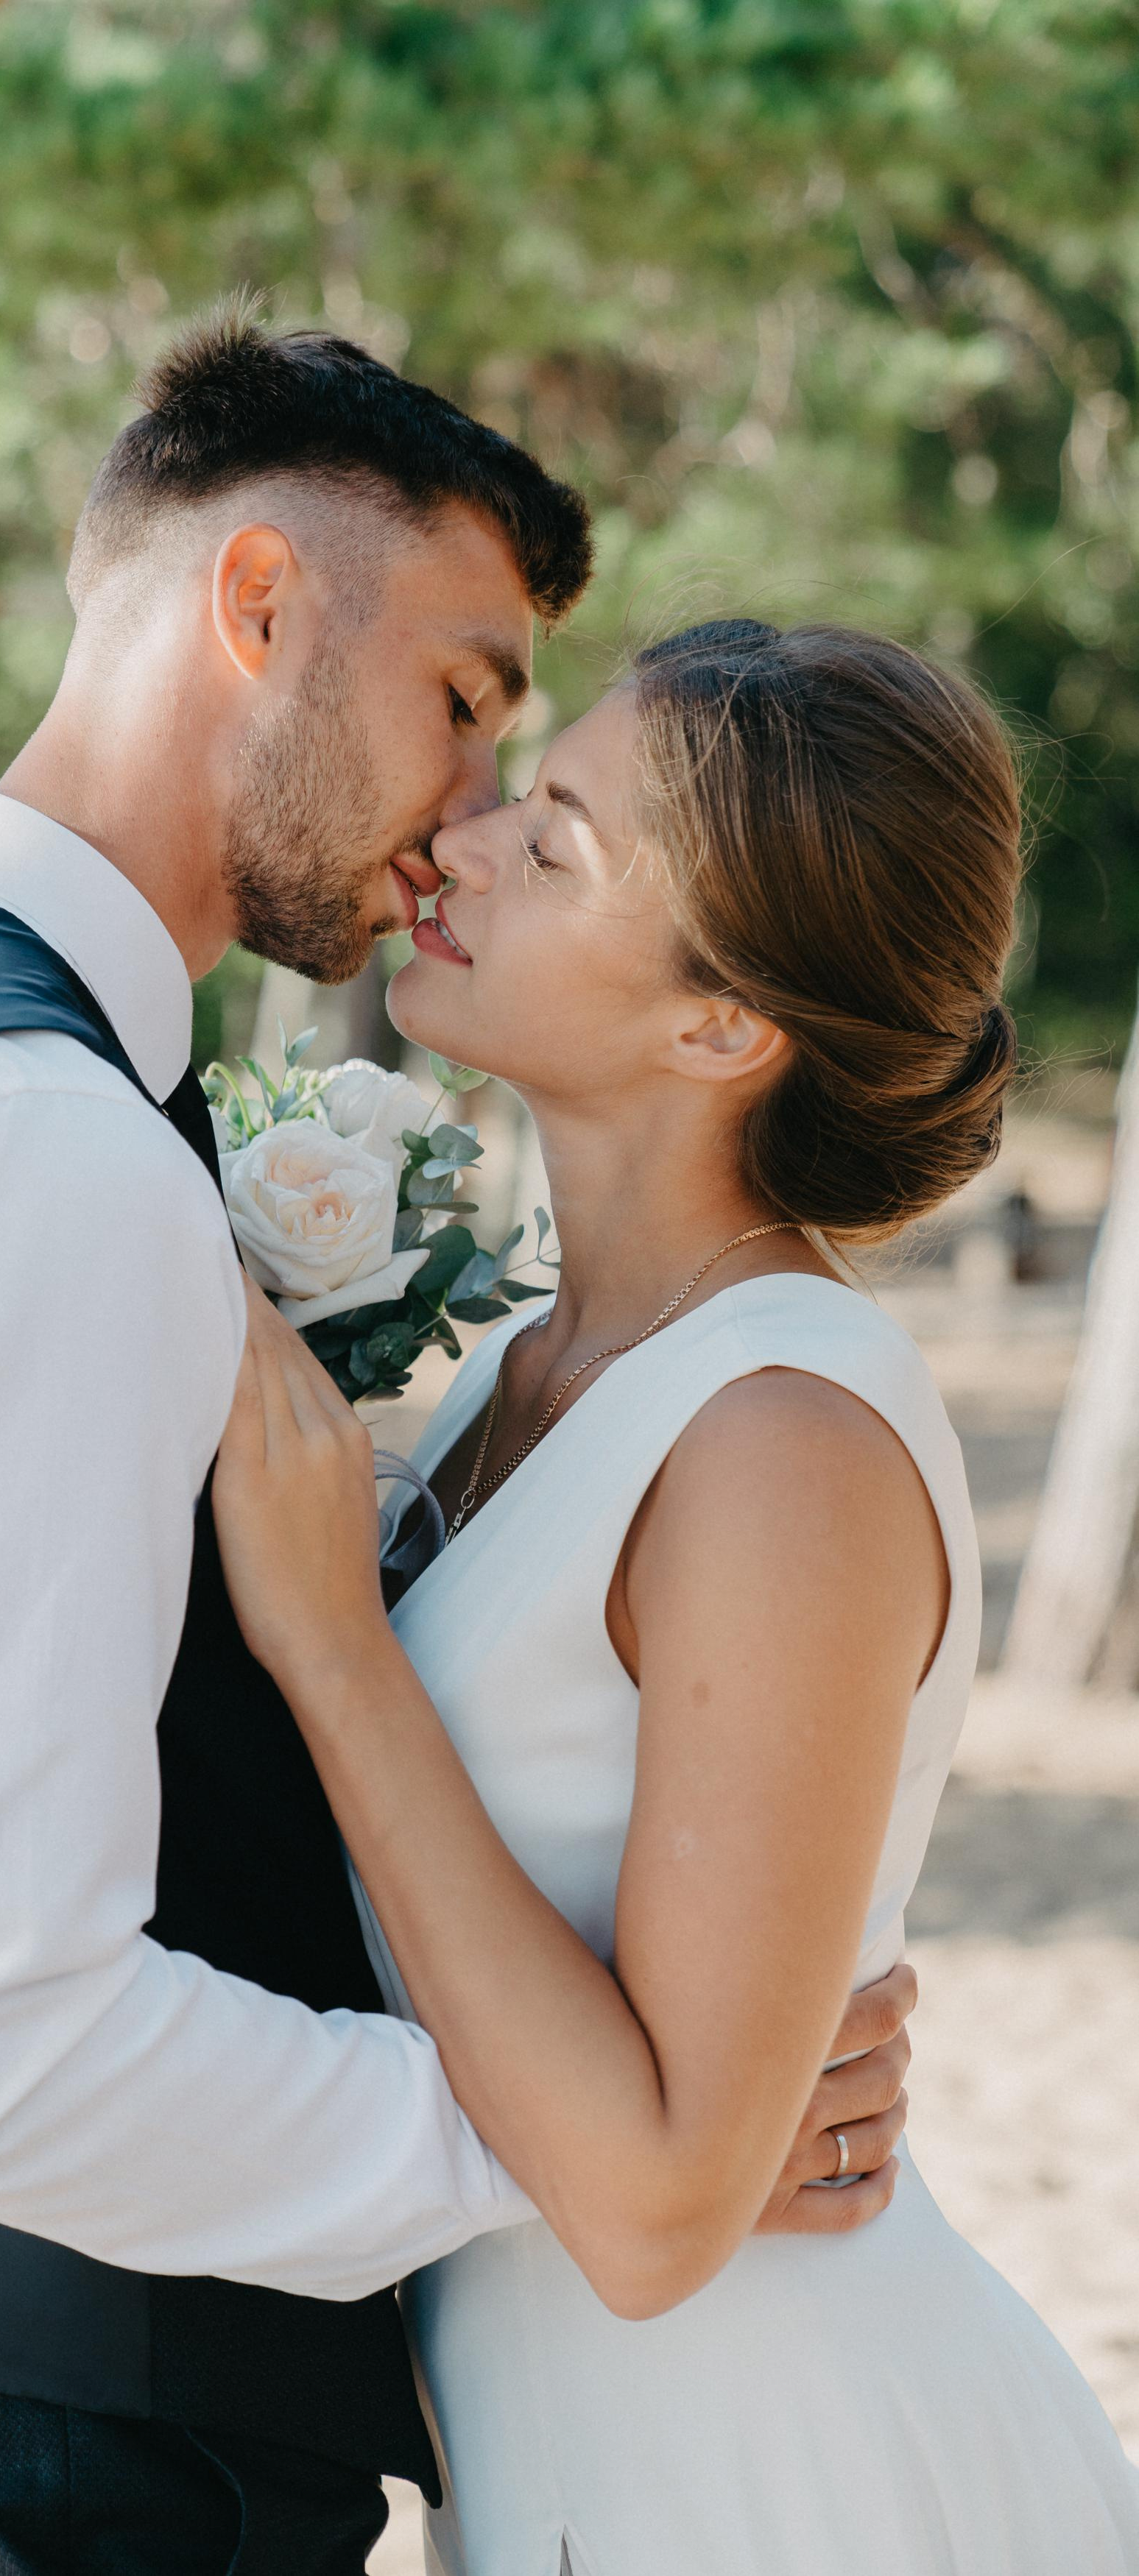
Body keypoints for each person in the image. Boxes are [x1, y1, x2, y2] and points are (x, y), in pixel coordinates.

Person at [0, 322, 914, 2576]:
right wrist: (609, 2142)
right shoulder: (27, 1138)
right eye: (462, 699)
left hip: (8, 2376)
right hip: (50, 2441)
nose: (462, 814)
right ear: (254, 608)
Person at [211, 619, 1139, 2574]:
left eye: (555, 840)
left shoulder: (780, 1441)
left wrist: (329, 1638)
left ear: (723, 1026)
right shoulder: (530, 1359)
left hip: (771, 2473)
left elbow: (648, 2207)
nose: (457, 838)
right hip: (568, 2458)